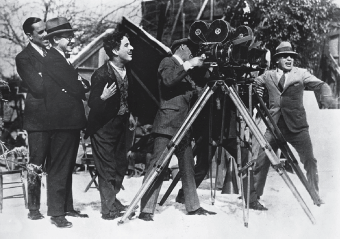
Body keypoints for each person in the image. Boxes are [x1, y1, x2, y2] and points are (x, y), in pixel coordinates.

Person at [138, 38, 216, 222]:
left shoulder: (186, 72)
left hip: (184, 125)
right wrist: (189, 64)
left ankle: (193, 206)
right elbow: (168, 81)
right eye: (191, 49)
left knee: (188, 167)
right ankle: (146, 209)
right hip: (168, 124)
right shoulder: (168, 62)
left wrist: (210, 74)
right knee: (158, 165)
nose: (193, 53)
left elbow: (196, 93)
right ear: (181, 47)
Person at [253, 41, 334, 204]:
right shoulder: (268, 76)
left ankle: (315, 195)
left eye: (291, 56)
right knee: (262, 159)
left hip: (297, 127)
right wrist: (258, 94)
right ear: (277, 60)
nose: (289, 59)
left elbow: (322, 85)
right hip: (274, 127)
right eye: (285, 56)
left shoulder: (301, 74)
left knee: (309, 160)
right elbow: (255, 84)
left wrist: (327, 98)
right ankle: (254, 196)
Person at [42, 17, 90, 228]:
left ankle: (67, 206)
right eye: (67, 37)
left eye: (71, 36)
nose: (72, 40)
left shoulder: (62, 58)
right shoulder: (53, 59)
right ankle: (56, 212)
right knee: (59, 166)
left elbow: (80, 84)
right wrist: (77, 85)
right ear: (54, 40)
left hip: (69, 121)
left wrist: (77, 85)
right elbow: (78, 87)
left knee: (67, 165)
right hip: (62, 122)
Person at [85, 31, 137, 220]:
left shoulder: (127, 71)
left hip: (120, 125)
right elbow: (92, 104)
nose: (131, 48)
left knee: (120, 166)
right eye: (126, 45)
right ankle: (108, 210)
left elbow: (125, 96)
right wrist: (102, 97)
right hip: (102, 128)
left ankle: (111, 198)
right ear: (115, 50)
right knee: (107, 167)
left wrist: (128, 113)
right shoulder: (101, 75)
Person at [15, 17, 50, 220]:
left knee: (57, 163)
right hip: (37, 119)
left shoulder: (53, 54)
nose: (46, 35)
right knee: (36, 164)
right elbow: (37, 87)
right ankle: (34, 209)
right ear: (30, 36)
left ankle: (58, 207)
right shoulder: (23, 58)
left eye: (46, 30)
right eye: (41, 32)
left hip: (57, 117)